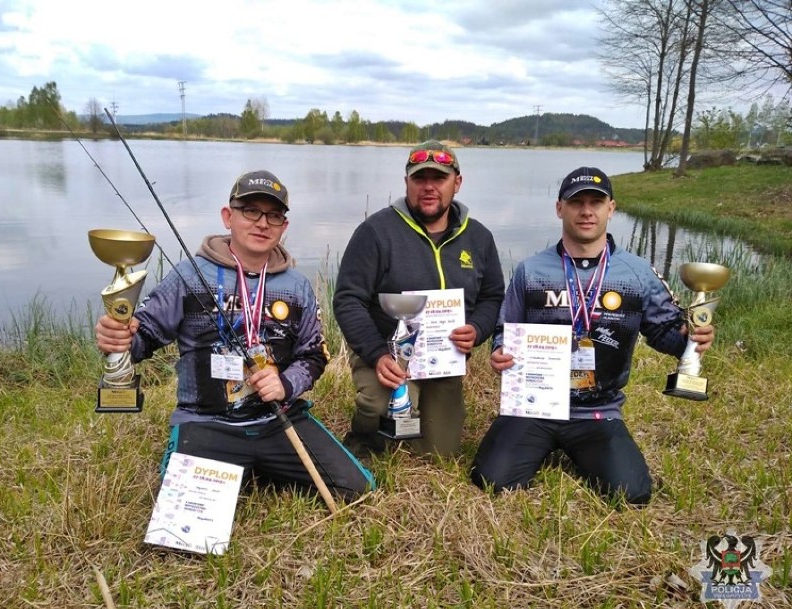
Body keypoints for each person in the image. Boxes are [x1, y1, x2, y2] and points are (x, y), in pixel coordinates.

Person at [95, 170, 374, 502]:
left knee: (355, 488)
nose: (262, 223)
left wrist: (286, 384)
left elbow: (314, 355)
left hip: (278, 419)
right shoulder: (190, 275)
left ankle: (253, 465)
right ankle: (232, 464)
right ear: (228, 217)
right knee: (186, 523)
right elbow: (144, 338)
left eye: (273, 215)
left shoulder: (297, 286)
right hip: (206, 421)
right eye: (250, 211)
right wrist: (119, 337)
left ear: (284, 226)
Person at [470, 166, 715, 505]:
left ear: (610, 208)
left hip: (598, 412)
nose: (586, 211)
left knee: (631, 495)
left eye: (596, 203)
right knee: (491, 480)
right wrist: (499, 352)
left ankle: (584, 448)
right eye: (576, 202)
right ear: (560, 208)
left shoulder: (637, 272)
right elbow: (504, 330)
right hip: (534, 406)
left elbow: (664, 334)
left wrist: (691, 340)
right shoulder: (531, 270)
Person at [333, 140, 505, 458]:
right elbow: (347, 299)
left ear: (457, 182)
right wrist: (375, 354)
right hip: (387, 352)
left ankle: (421, 409)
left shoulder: (479, 237)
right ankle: (364, 435)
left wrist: (478, 330)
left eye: (438, 178)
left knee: (440, 453)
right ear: (406, 182)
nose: (428, 187)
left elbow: (493, 296)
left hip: (443, 358)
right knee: (379, 405)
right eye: (419, 178)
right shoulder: (375, 232)